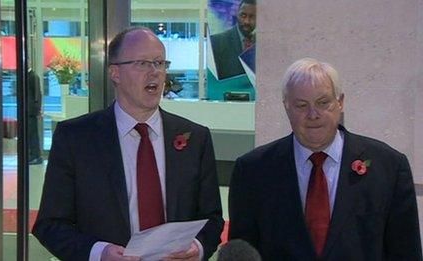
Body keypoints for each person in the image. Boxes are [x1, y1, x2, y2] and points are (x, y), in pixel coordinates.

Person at [33, 27, 224, 261]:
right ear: (115, 73)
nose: (154, 72)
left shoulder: (196, 138)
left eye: (160, 63)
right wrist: (99, 253)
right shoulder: (75, 138)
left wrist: (197, 247)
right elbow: (50, 225)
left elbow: (212, 219)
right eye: (142, 63)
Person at [229, 57, 422, 260]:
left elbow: (405, 253)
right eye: (301, 105)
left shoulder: (389, 167)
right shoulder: (252, 170)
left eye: (323, 103)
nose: (313, 114)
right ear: (286, 107)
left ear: (340, 102)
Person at [210, 0, 256, 79]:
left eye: (252, 17)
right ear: (237, 14)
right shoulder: (216, 42)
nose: (247, 21)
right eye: (243, 15)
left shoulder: (262, 44)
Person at [27, 68, 43, 164]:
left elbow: (37, 94)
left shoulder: (33, 76)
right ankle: (32, 155)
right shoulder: (27, 76)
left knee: (32, 134)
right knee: (30, 133)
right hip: (28, 110)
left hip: (31, 110)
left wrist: (37, 109)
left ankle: (35, 156)